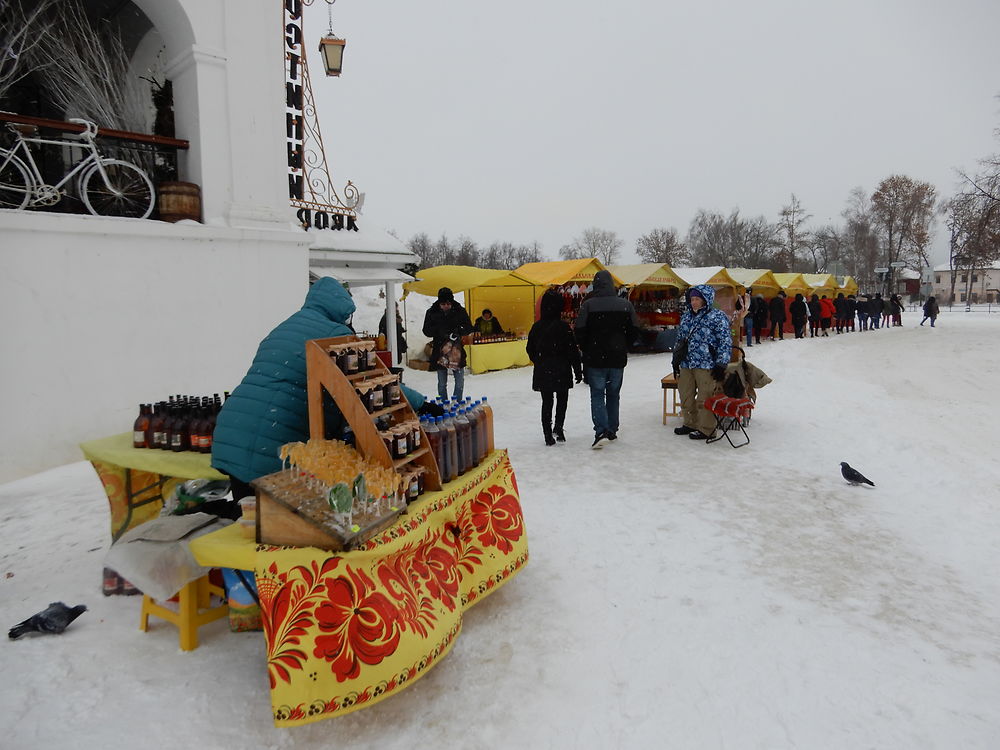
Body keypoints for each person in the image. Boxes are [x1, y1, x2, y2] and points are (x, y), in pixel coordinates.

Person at [212, 278, 432, 498]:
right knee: (277, 524)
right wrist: (420, 402)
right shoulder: (335, 335)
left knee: (250, 519)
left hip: (232, 431)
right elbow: (377, 382)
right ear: (343, 308)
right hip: (277, 443)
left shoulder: (284, 327)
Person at [574, 269, 640, 448]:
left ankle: (601, 430)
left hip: (595, 358)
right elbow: (635, 330)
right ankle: (612, 428)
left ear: (595, 285)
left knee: (597, 394)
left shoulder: (588, 305)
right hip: (617, 357)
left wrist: (587, 347)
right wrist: (624, 344)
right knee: (613, 394)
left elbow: (579, 331)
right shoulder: (625, 305)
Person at [673, 284, 732, 440]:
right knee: (686, 395)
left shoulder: (717, 316)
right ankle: (690, 423)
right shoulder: (686, 316)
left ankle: (707, 428)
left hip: (706, 364)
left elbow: (725, 341)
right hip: (686, 363)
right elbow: (680, 341)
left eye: (697, 299)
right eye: (692, 299)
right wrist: (675, 360)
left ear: (706, 299)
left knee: (704, 397)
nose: (693, 302)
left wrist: (721, 363)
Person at [527, 289, 583, 446]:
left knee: (547, 401)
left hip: (544, 368)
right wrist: (578, 371)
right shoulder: (564, 327)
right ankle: (558, 427)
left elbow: (529, 349)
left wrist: (538, 361)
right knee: (562, 399)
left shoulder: (536, 327)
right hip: (562, 368)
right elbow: (573, 351)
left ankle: (547, 433)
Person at [422, 287, 474, 402]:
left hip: (457, 351)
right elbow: (426, 331)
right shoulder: (432, 312)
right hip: (440, 351)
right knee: (441, 383)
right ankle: (444, 404)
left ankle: (457, 403)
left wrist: (458, 331)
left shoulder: (459, 310)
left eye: (448, 303)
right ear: (439, 303)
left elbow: (469, 328)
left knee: (459, 382)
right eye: (443, 304)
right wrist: (439, 330)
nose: (446, 306)